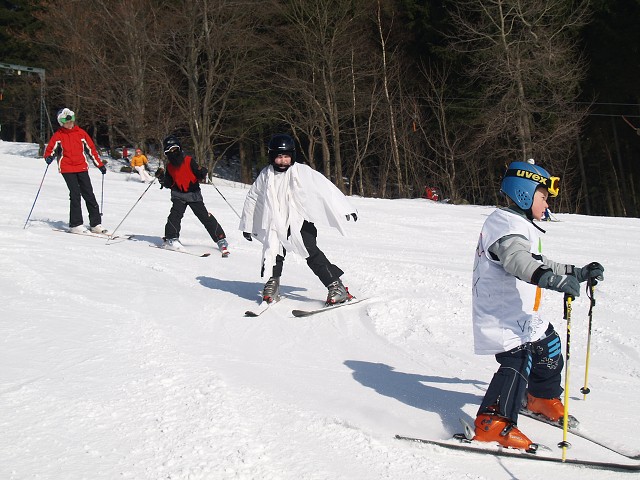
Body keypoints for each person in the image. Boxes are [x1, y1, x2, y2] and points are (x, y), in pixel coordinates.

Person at [471, 160, 605, 451]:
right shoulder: (504, 225)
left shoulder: (519, 224)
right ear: (524, 193)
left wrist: (577, 273)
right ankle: (492, 422)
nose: (547, 205)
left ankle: (541, 398)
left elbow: (537, 261)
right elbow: (518, 262)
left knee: (549, 345)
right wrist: (552, 281)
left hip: (521, 311)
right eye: (543, 197)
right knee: (518, 358)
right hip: (500, 312)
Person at [239, 133, 358, 305]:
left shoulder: (302, 172)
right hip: (276, 222)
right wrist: (248, 224)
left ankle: (336, 286)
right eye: (279, 157)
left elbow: (324, 188)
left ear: (292, 156)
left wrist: (344, 208)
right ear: (272, 156)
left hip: (300, 221)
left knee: (310, 251)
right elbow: (253, 198)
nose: (283, 161)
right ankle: (272, 284)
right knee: (273, 251)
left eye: (286, 156)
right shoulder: (265, 175)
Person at [157, 135, 229, 256]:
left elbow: (199, 173)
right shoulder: (169, 167)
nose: (173, 153)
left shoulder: (189, 160)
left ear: (179, 148)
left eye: (174, 149)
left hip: (193, 194)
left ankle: (220, 239)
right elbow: (169, 183)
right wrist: (161, 178)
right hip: (178, 195)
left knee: (205, 217)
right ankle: (171, 238)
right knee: (175, 215)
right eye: (169, 151)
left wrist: (202, 172)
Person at [43, 107, 108, 234]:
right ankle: (75, 224)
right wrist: (48, 157)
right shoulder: (58, 136)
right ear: (61, 123)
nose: (69, 124)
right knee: (75, 194)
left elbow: (91, 150)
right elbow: (49, 150)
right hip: (67, 169)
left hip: (81, 167)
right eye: (66, 122)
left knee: (89, 193)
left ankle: (95, 224)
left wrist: (99, 165)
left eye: (71, 121)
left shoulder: (81, 133)